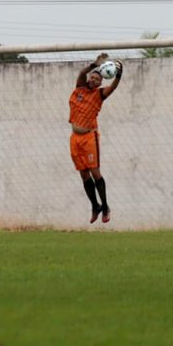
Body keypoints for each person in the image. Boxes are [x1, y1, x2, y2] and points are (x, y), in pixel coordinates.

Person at [69, 52, 122, 223]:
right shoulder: (79, 88)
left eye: (97, 79)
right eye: (92, 77)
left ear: (101, 82)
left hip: (89, 137)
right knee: (84, 174)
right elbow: (81, 74)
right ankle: (95, 206)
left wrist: (119, 75)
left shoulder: (99, 95)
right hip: (75, 139)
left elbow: (112, 88)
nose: (93, 80)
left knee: (95, 172)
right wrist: (94, 65)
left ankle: (105, 206)